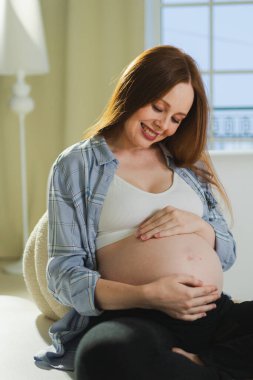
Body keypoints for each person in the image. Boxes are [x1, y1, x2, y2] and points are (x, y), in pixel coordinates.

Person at [34, 45, 253, 379]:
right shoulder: (78, 165)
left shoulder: (187, 165)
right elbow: (64, 275)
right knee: (102, 355)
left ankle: (203, 366)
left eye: (176, 119)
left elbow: (227, 253)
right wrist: (149, 295)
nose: (163, 125)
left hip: (210, 311)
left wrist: (198, 226)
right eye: (158, 107)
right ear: (134, 91)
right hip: (138, 317)